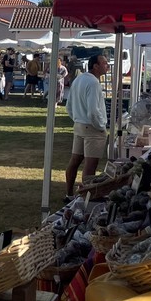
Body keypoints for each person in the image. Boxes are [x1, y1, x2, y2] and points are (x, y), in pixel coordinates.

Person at [65, 54, 109, 198]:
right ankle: (85, 197)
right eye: (104, 63)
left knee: (75, 161)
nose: (107, 65)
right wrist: (101, 126)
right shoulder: (93, 83)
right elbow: (93, 111)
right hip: (92, 127)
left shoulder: (79, 79)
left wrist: (77, 118)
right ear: (95, 66)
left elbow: (69, 106)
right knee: (90, 165)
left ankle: (69, 193)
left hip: (79, 125)